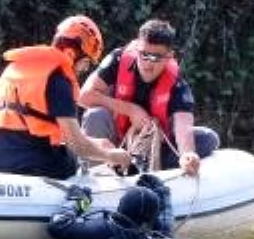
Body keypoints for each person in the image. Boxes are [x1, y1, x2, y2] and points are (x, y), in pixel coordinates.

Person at [0, 15, 133, 179]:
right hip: (34, 167)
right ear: (71, 53)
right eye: (85, 63)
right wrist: (112, 156)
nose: (83, 70)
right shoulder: (58, 81)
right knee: (71, 159)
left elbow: (32, 126)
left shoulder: (15, 69)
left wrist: (99, 144)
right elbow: (78, 145)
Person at [78, 18, 218, 176]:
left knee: (209, 138)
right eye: (144, 54)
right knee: (95, 115)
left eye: (156, 57)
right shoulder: (118, 59)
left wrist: (188, 155)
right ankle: (97, 175)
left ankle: (152, 170)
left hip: (154, 148)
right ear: (137, 47)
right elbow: (83, 96)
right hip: (114, 143)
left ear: (169, 56)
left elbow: (183, 127)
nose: (148, 63)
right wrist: (130, 109)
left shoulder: (177, 84)